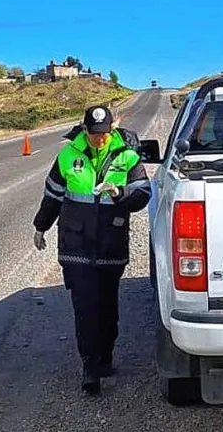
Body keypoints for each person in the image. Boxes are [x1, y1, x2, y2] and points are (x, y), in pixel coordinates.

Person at [33, 104, 151, 395]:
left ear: (112, 129)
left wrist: (119, 192)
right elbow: (53, 195)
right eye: (93, 134)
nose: (99, 139)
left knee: (107, 306)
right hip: (76, 245)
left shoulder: (128, 155)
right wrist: (41, 227)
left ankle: (106, 355)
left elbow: (143, 194)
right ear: (84, 130)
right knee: (85, 306)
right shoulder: (68, 155)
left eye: (104, 133)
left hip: (111, 243)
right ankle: (90, 367)